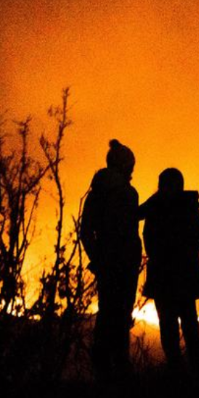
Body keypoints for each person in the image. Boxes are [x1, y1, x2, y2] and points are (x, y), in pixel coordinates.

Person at [80, 139, 142, 378]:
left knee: (107, 315)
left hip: (108, 262)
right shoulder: (127, 193)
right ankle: (117, 371)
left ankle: (106, 369)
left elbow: (86, 230)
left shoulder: (96, 193)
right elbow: (127, 230)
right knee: (118, 316)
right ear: (127, 165)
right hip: (123, 264)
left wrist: (97, 258)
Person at [139, 168, 199, 371]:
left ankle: (178, 369)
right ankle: (195, 369)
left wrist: (160, 256)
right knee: (187, 322)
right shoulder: (189, 206)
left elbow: (147, 235)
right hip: (184, 274)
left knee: (171, 324)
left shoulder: (156, 207)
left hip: (165, 275)